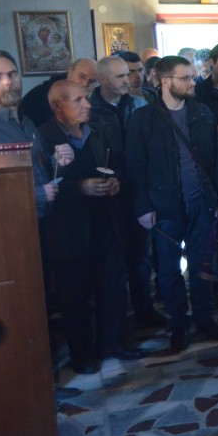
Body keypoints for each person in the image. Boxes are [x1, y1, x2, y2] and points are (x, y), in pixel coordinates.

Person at [40, 80, 143, 372]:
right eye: (78, 100)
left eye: (86, 98)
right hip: (69, 230)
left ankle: (113, 343)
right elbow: (40, 184)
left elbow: (114, 164)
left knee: (112, 286)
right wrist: (79, 187)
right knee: (75, 296)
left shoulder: (96, 132)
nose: (87, 104)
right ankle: (82, 354)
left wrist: (115, 181)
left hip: (104, 222)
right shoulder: (43, 137)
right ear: (57, 106)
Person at [126, 56, 218, 353]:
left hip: (200, 201)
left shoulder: (202, 113)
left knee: (201, 266)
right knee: (169, 270)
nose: (193, 82)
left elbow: (217, 160)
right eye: (186, 78)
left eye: (193, 77)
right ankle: (178, 323)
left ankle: (204, 318)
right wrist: (143, 207)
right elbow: (135, 166)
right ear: (165, 81)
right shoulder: (144, 119)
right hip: (164, 205)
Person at [90, 56, 164, 329]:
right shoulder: (91, 109)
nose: (128, 80)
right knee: (113, 261)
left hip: (137, 187)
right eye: (120, 76)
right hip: (108, 191)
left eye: (129, 74)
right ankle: (117, 323)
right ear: (102, 79)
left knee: (141, 254)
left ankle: (145, 309)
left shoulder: (139, 104)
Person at [0, 50, 69, 219]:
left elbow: (41, 169)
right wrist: (37, 194)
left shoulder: (28, 122)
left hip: (45, 220)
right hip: (9, 226)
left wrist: (58, 161)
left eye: (12, 74)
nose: (8, 81)